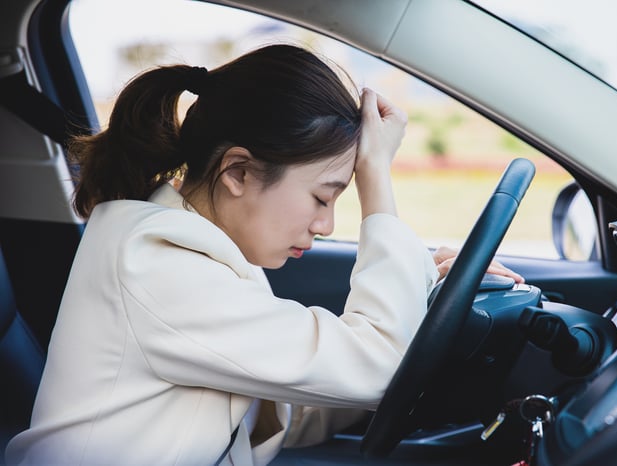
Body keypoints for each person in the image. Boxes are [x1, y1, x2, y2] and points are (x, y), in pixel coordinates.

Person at [5, 44, 522, 466]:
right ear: (239, 173)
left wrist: (426, 295)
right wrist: (375, 177)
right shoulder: (157, 264)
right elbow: (375, 367)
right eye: (323, 197)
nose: (326, 225)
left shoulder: (198, 250)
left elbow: (280, 410)